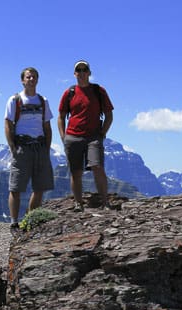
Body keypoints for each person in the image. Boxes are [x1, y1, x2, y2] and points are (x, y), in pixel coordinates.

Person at [57, 60, 114, 210]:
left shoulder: (98, 91)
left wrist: (102, 133)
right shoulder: (69, 93)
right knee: (76, 172)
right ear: (75, 73)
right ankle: (78, 203)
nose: (82, 73)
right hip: (73, 137)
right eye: (79, 70)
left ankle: (105, 202)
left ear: (89, 73)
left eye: (84, 70)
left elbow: (109, 115)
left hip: (93, 137)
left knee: (97, 166)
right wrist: (64, 137)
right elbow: (61, 116)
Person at [4, 67, 53, 229]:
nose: (31, 79)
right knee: (16, 187)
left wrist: (47, 148)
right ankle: (14, 222)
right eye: (28, 77)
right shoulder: (15, 100)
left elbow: (47, 126)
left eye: (34, 77)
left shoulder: (43, 101)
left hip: (40, 146)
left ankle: (29, 220)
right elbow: (8, 124)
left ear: (37, 80)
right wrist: (12, 148)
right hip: (22, 147)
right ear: (22, 80)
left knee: (40, 187)